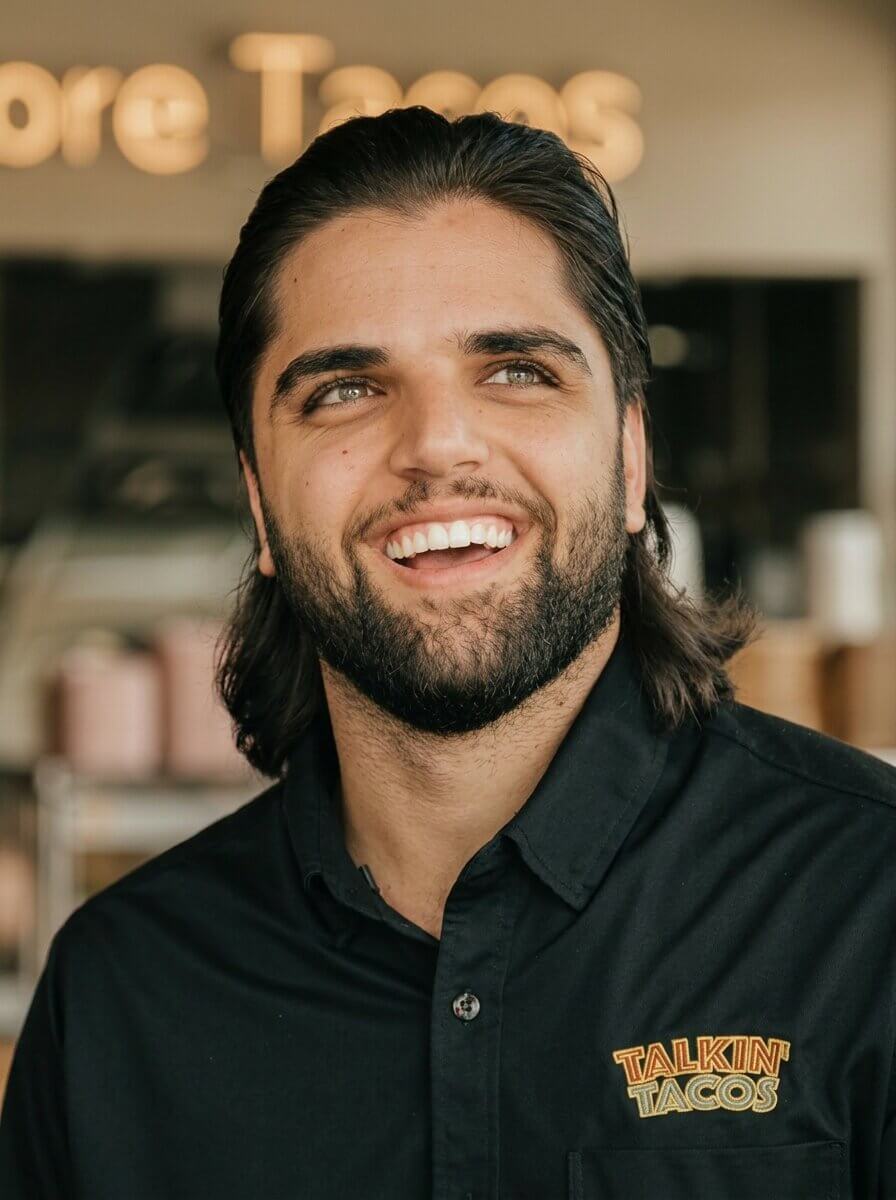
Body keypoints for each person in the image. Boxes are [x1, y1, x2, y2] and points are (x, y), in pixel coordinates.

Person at [1, 105, 894, 1200]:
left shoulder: (869, 909)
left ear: (625, 454)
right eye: (344, 390)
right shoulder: (122, 997)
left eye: (515, 370)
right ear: (259, 498)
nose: (435, 444)